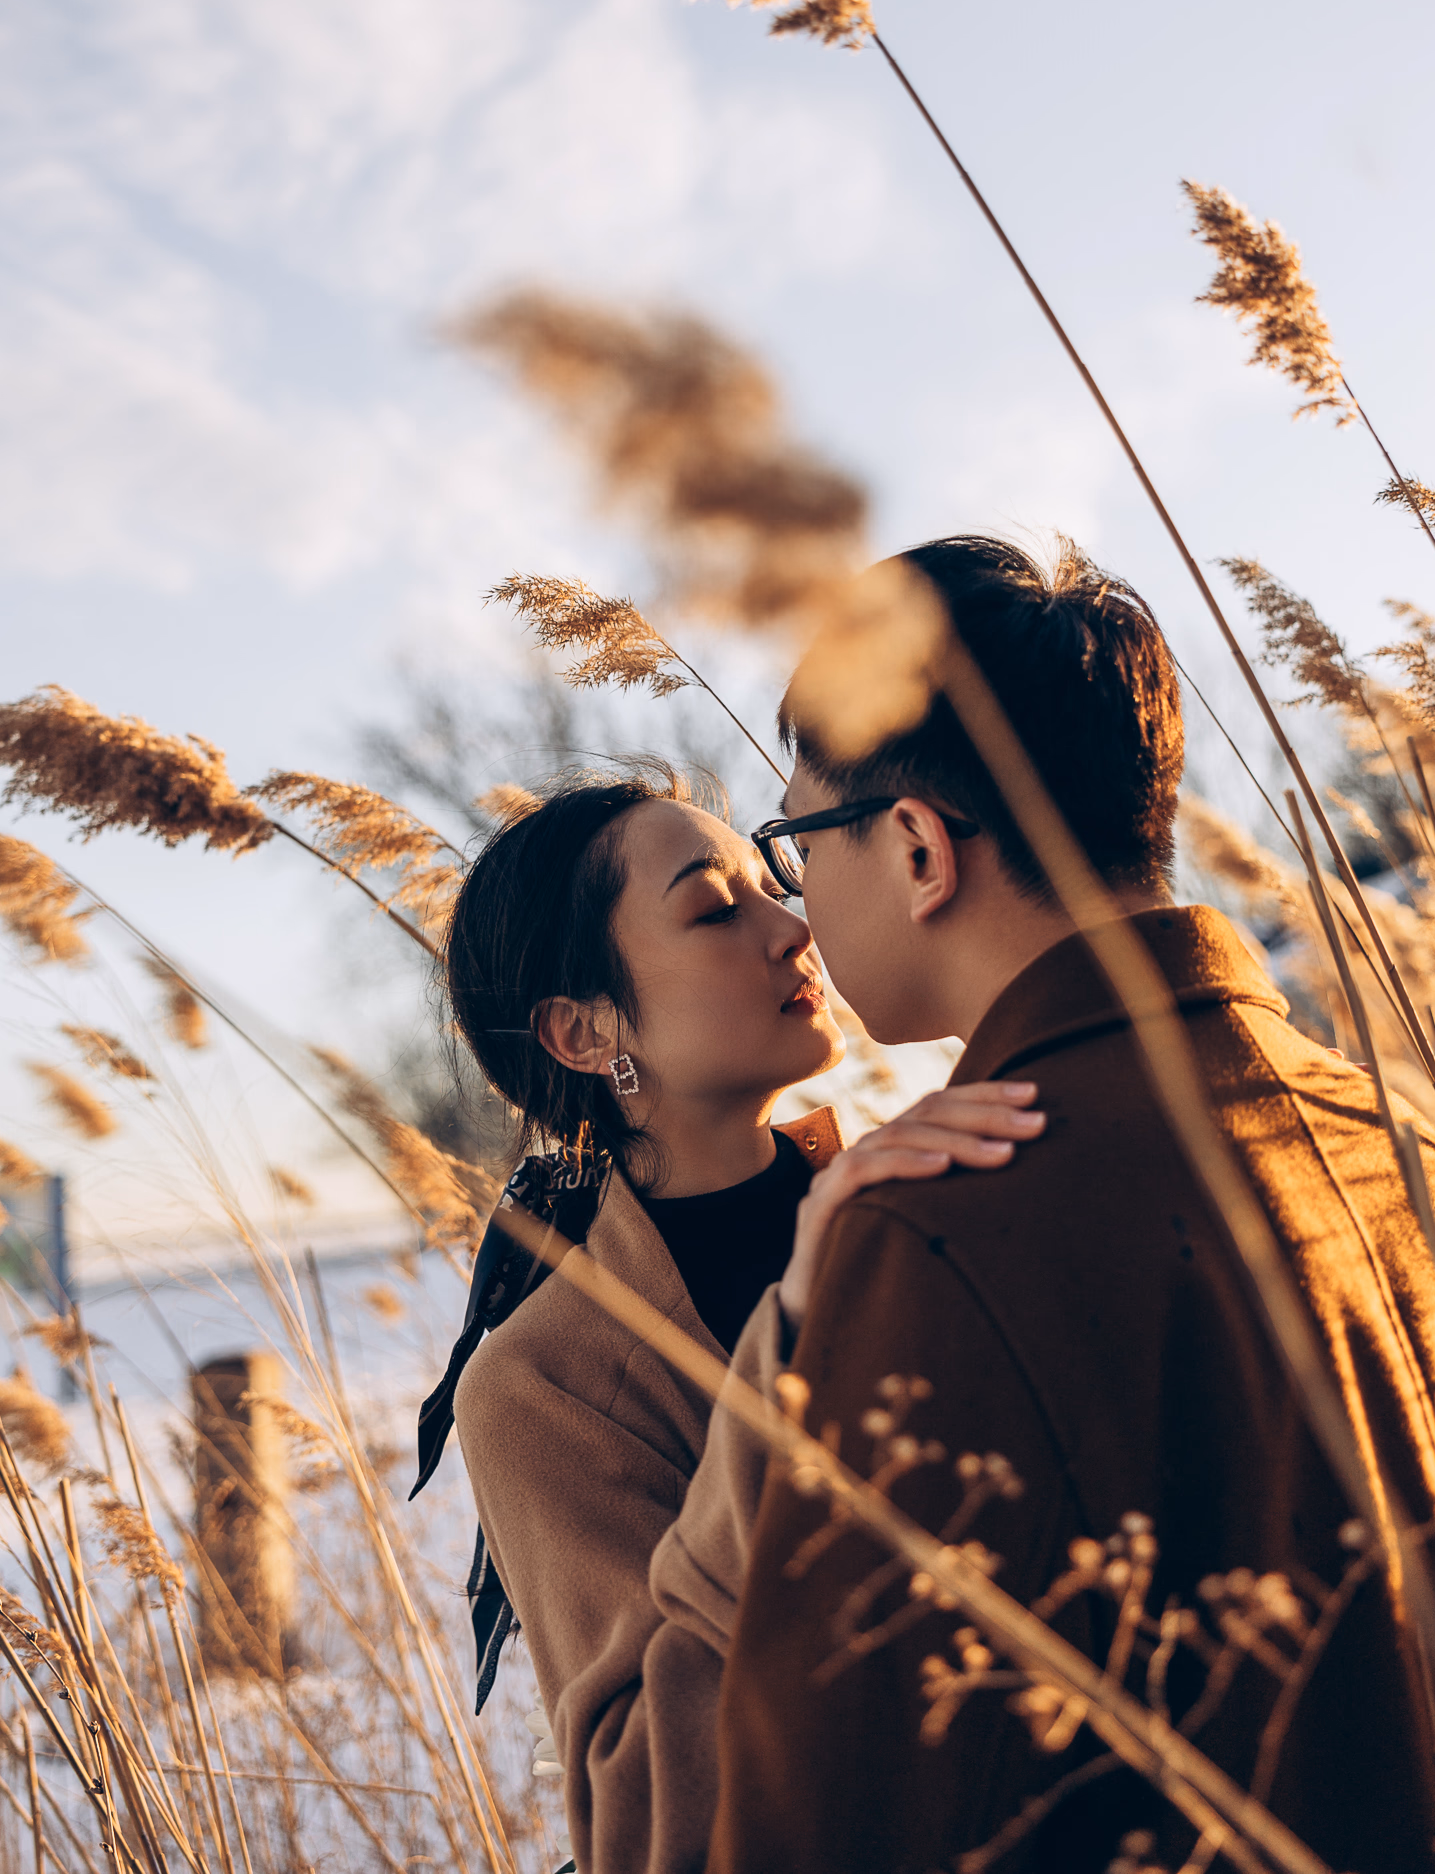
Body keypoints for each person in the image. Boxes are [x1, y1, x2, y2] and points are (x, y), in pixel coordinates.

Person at [681, 535, 1435, 1874]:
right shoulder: (1396, 1136)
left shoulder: (949, 1225)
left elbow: (837, 1819)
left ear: (919, 847)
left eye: (797, 844)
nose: (799, 915)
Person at [412, 767, 1045, 1874]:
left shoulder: (932, 1209)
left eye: (772, 885)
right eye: (715, 908)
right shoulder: (539, 1385)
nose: (792, 927)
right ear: (581, 1030)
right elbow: (654, 1809)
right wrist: (797, 1332)